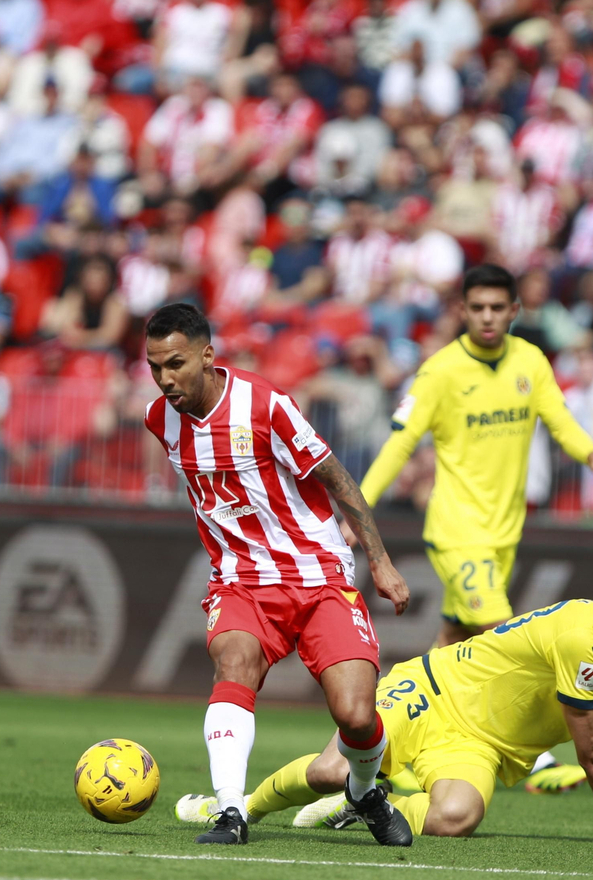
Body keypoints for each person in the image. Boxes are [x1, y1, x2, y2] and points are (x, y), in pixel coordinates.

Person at [179, 558, 593, 849]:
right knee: (330, 769)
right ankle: (234, 807)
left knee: (456, 819)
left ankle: (362, 803)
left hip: (481, 746)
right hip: (433, 690)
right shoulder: (586, 638)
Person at [142, 302, 414, 847]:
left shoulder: (266, 405)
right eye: (155, 367)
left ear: (208, 356)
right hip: (241, 581)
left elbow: (337, 479)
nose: (165, 379)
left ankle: (363, 793)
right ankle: (229, 812)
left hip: (319, 576)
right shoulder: (159, 419)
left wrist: (380, 560)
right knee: (233, 661)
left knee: (356, 715)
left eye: (175, 364)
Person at [358, 264, 593, 659]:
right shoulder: (439, 371)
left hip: (504, 532)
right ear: (462, 310)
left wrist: (592, 454)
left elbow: (561, 421)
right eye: (477, 307)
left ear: (514, 310)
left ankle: (381, 717)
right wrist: (357, 510)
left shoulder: (530, 362)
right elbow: (400, 445)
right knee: (507, 640)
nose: (487, 317)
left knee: (450, 645)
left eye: (496, 307)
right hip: (457, 531)